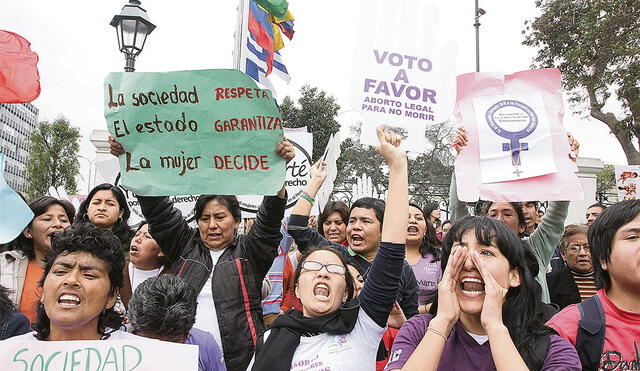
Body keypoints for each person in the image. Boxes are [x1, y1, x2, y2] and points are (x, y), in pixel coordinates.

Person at [108, 135, 294, 371]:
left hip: (241, 359)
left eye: (220, 217)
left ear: (236, 221)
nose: (212, 225)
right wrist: (130, 159)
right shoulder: (183, 244)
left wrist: (276, 171)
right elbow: (158, 211)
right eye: (205, 218)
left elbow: (269, 220)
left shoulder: (250, 251)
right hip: (182, 356)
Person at [251, 125, 409, 370]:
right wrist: (315, 181)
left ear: (347, 293)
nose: (323, 272)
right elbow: (298, 226)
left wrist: (398, 166)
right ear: (298, 290)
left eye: (334, 270)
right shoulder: (270, 338)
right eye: (312, 267)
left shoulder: (363, 326)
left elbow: (391, 252)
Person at [385, 216, 581, 371]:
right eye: (459, 250)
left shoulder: (554, 349)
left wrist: (495, 327)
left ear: (514, 276)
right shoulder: (418, 331)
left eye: (486, 252)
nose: (469, 263)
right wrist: (443, 322)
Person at [449, 127, 570, 303]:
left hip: (530, 329)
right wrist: (463, 160)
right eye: (493, 213)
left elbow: (556, 215)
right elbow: (457, 211)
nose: (499, 220)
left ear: (522, 225)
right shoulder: (473, 250)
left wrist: (564, 161)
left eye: (507, 214)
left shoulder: (535, 248)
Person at [286, 162, 418, 319]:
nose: (356, 227)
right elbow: (297, 227)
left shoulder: (401, 268)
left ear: (384, 230)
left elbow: (412, 319)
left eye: (365, 221)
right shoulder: (335, 255)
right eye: (352, 221)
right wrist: (316, 181)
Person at [6, 223, 142, 341]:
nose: (71, 280)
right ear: (43, 290)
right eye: (60, 272)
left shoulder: (139, 357)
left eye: (89, 275)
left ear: (111, 296)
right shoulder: (9, 355)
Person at [547, 200, 640, 370]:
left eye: (586, 248)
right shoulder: (568, 328)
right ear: (603, 257)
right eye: (633, 237)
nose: (582, 253)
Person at [128, 274, 226, 371]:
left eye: (172, 343)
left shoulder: (205, 345)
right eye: (150, 341)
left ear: (187, 333)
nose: (161, 353)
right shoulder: (116, 341)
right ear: (133, 330)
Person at [0, 196, 75, 322]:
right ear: (28, 231)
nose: (57, 224)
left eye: (63, 220)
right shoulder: (5, 264)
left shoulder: (84, 266)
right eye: (47, 219)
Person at [119, 221, 170, 309]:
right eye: (137, 234)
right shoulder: (116, 272)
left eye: (147, 236)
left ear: (162, 250)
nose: (137, 239)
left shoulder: (172, 279)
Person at [547, 224, 596, 310]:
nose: (582, 253)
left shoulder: (609, 280)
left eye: (587, 247)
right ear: (563, 254)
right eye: (574, 248)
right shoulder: (550, 283)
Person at [75, 183, 134, 252]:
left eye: (110, 204)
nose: (102, 208)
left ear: (121, 213)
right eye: (96, 203)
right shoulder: (72, 239)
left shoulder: (132, 244)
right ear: (87, 209)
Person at [405, 203, 442, 314]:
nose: (413, 221)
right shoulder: (385, 259)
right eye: (407, 217)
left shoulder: (438, 259)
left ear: (425, 230)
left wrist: (422, 310)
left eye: (418, 218)